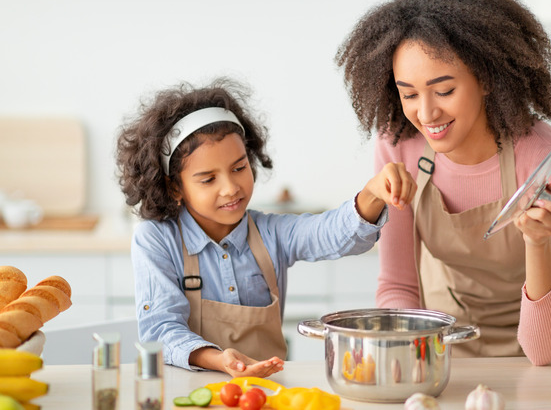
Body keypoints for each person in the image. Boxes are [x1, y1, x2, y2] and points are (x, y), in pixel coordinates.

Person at [336, 0, 551, 365]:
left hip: (547, 347)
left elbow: (543, 350)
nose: (426, 113)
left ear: (486, 79)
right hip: (444, 339)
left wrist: (537, 244)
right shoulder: (399, 147)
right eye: (409, 95)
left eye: (445, 90)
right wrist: (406, 356)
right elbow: (398, 284)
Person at [115, 78, 415, 377]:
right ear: (175, 187)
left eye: (239, 168)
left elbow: (329, 232)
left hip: (266, 393)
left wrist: (373, 193)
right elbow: (160, 330)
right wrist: (220, 360)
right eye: (208, 179)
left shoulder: (271, 232)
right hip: (190, 393)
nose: (231, 188)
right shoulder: (156, 239)